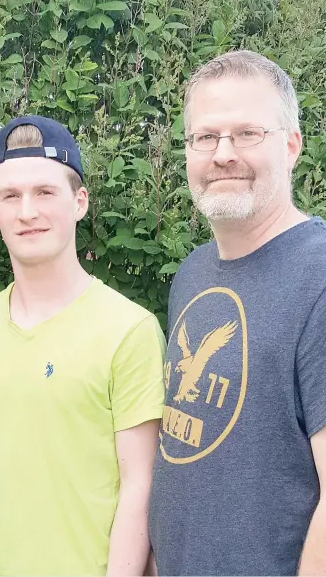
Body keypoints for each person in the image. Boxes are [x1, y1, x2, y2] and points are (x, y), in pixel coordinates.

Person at [0, 115, 166, 576]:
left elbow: (140, 484)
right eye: (11, 196)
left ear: (79, 202)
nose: (27, 212)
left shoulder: (130, 329)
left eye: (44, 192)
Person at [149, 50, 326, 576]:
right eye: (205, 137)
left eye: (248, 133)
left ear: (291, 145)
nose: (223, 153)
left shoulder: (319, 275)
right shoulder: (193, 273)